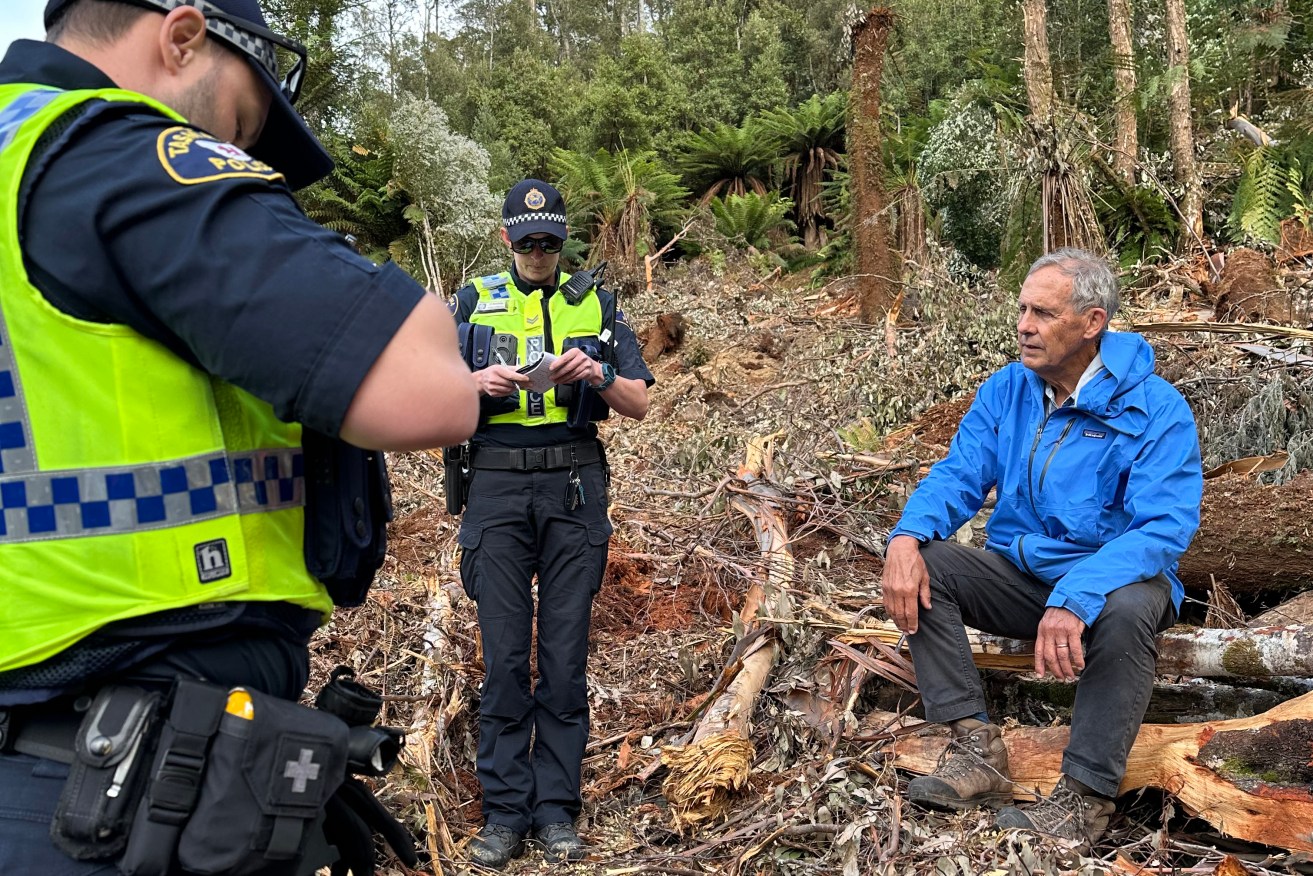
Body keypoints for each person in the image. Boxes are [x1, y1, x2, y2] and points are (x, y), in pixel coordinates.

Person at [0, 0, 478, 873]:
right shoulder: (111, 159)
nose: (246, 158)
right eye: (244, 123)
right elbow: (426, 392)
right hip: (109, 782)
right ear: (182, 37)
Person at [881, 248, 1203, 848]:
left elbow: (1163, 528)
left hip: (1113, 585)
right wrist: (905, 535)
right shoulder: (1009, 389)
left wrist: (1077, 596)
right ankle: (975, 747)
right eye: (1023, 309)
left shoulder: (1157, 409)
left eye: (1043, 313)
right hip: (1025, 573)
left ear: (1092, 323)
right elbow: (958, 476)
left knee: (1133, 608)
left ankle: (1084, 798)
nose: (1024, 326)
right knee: (923, 564)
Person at [451, 179, 653, 868]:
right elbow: (426, 391)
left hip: (573, 484)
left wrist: (595, 373)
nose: (538, 252)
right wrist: (472, 385)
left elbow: (639, 403)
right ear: (506, 238)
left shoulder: (595, 302)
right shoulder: (473, 300)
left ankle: (556, 810)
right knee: (505, 657)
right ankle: (504, 812)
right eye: (527, 240)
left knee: (564, 659)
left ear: (564, 242)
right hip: (497, 484)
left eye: (551, 242)